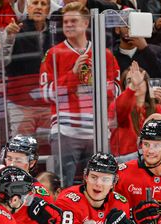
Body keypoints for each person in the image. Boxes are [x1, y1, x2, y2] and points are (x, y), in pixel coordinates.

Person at [40, 2, 120, 187]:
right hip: (65, 130)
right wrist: (73, 75)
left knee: (100, 183)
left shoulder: (104, 54)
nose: (67, 25)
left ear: (85, 24)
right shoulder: (53, 53)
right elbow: (46, 94)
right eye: (65, 21)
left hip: (98, 129)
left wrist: (97, 81)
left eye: (73, 21)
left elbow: (116, 90)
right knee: (63, 184)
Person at [0, 0, 55, 142]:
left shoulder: (55, 32)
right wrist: (9, 37)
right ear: (28, 7)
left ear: (48, 9)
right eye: (35, 2)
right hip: (20, 102)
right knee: (20, 147)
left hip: (47, 102)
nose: (39, 7)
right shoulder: (15, 29)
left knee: (51, 147)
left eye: (43, 3)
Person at [110, 62, 161, 159]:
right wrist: (133, 87)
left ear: (147, 83)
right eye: (129, 81)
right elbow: (117, 111)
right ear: (125, 87)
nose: (136, 82)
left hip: (154, 159)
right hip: (126, 161)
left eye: (140, 80)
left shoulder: (157, 109)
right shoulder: (122, 107)